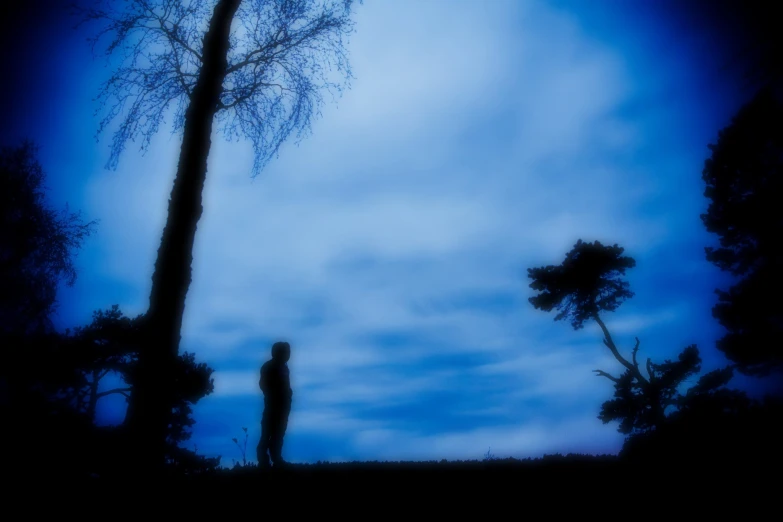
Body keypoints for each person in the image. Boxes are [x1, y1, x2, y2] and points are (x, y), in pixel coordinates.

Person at [257, 341, 293, 468]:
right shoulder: (269, 366)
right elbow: (263, 385)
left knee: (279, 433)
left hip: (283, 406)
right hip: (272, 406)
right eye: (285, 352)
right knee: (267, 433)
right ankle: (263, 461)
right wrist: (274, 394)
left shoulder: (284, 367)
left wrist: (288, 395)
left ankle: (277, 459)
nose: (288, 355)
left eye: (288, 352)